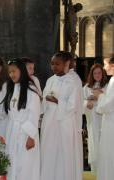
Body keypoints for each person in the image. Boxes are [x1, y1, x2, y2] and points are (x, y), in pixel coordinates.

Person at [40, 51, 82, 180]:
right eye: (52, 64)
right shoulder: (51, 80)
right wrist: (45, 99)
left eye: (57, 64)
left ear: (67, 64)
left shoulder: (73, 80)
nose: (54, 67)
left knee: (64, 154)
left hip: (65, 122)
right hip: (50, 121)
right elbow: (44, 98)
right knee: (49, 152)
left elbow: (74, 104)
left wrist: (58, 101)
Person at [3, 58, 40, 180]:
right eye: (10, 72)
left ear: (22, 71)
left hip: (26, 133)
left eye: (14, 71)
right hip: (13, 131)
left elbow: (34, 114)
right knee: (13, 163)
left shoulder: (31, 90)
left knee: (25, 165)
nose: (11, 74)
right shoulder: (12, 88)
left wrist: (31, 136)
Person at [83, 63, 108, 173]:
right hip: (93, 119)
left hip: (105, 120)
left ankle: (106, 168)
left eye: (99, 73)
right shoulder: (87, 87)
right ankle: (96, 168)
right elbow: (81, 102)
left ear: (103, 73)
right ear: (91, 74)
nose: (97, 75)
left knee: (105, 142)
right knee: (94, 141)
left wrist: (100, 97)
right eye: (95, 73)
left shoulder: (108, 86)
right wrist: (87, 103)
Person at [93, 56, 114, 180]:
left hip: (111, 123)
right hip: (110, 121)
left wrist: (100, 96)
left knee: (109, 153)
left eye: (106, 65)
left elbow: (108, 105)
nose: (105, 67)